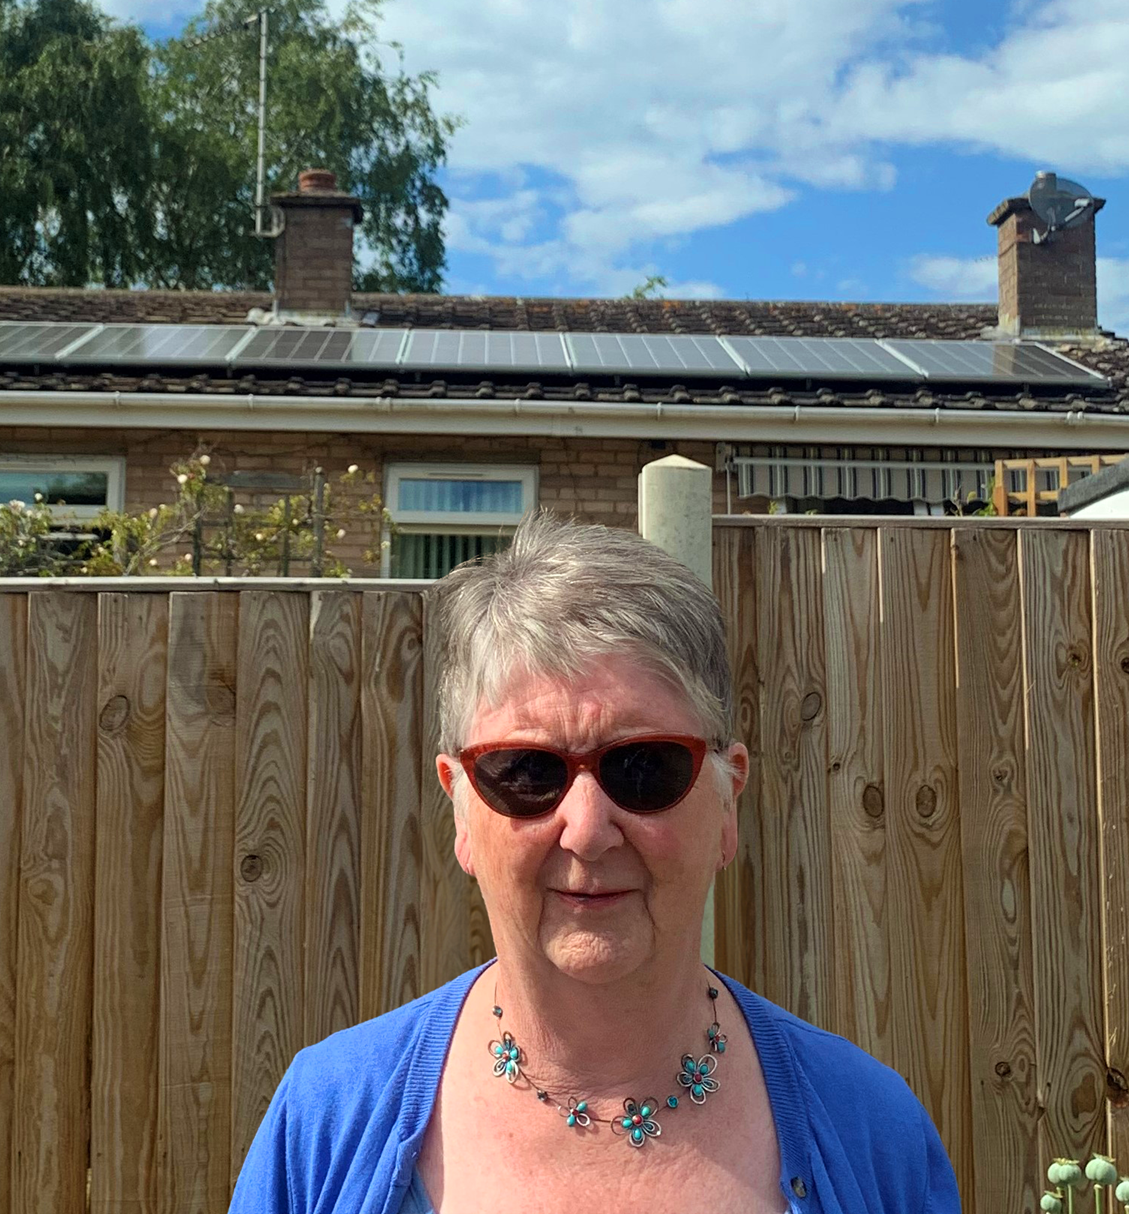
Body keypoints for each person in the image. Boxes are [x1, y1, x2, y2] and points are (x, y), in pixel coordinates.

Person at [231, 511, 961, 1214]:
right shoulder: (324, 1124)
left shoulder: (874, 1133)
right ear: (460, 806)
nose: (586, 830)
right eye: (526, 772)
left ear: (728, 801)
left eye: (644, 767)